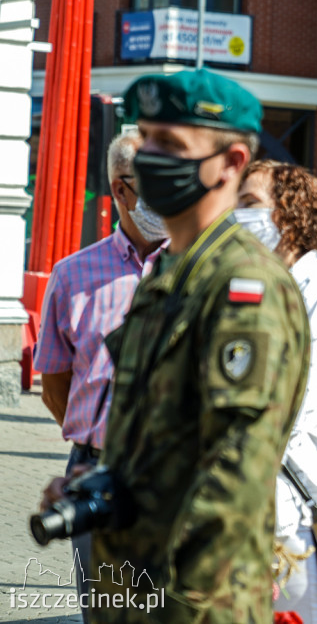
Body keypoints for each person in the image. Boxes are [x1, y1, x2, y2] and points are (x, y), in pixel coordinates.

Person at [39, 68, 310, 623]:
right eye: (147, 139)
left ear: (231, 163)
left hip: (192, 597)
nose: (150, 158)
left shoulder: (243, 288)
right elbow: (152, 432)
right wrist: (96, 480)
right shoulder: (170, 276)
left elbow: (231, 474)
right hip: (130, 582)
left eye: (171, 145)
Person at [33, 129, 167, 619]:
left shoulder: (198, 268)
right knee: (107, 611)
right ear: (119, 189)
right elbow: (54, 385)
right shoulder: (73, 275)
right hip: (97, 473)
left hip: (175, 474)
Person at [236, 160, 317, 624]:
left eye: (250, 205)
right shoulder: (258, 283)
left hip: (295, 509)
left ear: (287, 213)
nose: (238, 216)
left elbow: (297, 407)